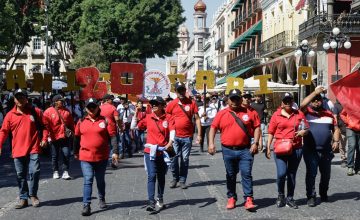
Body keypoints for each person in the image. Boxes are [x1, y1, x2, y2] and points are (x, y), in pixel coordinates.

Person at [208, 89, 260, 210]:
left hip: (245, 149)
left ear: (241, 99)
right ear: (228, 100)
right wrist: (211, 143)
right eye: (232, 99)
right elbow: (213, 128)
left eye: (237, 99)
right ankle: (231, 197)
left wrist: (256, 143)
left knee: (246, 174)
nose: (235, 101)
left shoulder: (250, 112)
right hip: (228, 150)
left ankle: (248, 198)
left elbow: (257, 127)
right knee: (230, 174)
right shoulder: (222, 113)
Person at [0, 89, 47, 208]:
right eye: (17, 97)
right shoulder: (10, 115)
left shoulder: (35, 112)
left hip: (34, 148)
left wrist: (44, 139)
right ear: (14, 100)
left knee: (35, 171)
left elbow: (45, 126)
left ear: (26, 99)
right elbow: (4, 131)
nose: (20, 100)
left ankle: (33, 195)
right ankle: (23, 198)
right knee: (20, 175)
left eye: (22, 97)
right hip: (18, 150)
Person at [73, 98, 119, 216]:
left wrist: (115, 152)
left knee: (100, 180)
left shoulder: (105, 120)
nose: (92, 109)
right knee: (88, 179)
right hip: (85, 156)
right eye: (89, 107)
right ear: (86, 108)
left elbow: (113, 136)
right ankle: (86, 205)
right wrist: (75, 152)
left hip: (101, 157)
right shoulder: (80, 121)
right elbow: (76, 138)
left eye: (94, 106)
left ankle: (102, 198)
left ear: (98, 107)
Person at [131, 96, 174, 212]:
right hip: (150, 152)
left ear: (162, 105)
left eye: (156, 103)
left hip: (163, 152)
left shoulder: (168, 118)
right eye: (152, 104)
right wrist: (136, 113)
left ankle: (160, 198)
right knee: (151, 175)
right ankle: (151, 202)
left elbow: (172, 131)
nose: (153, 105)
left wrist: (170, 142)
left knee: (161, 176)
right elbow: (133, 126)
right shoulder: (148, 117)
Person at [266, 93, 309, 209]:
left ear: (292, 102)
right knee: (281, 173)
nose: (288, 103)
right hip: (280, 148)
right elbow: (270, 132)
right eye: (285, 101)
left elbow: (306, 128)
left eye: (290, 101)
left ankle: (290, 198)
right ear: (282, 103)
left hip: (296, 148)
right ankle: (281, 195)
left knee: (291, 174)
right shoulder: (276, 115)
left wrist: (303, 132)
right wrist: (268, 147)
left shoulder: (299, 114)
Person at [300, 87, 340, 206]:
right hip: (310, 150)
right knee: (311, 174)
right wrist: (315, 93)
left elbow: (336, 129)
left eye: (318, 100)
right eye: (314, 100)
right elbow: (302, 104)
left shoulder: (329, 114)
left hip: (326, 150)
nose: (316, 102)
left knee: (326, 174)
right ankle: (311, 196)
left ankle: (323, 193)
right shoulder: (306, 112)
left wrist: (336, 141)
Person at [166, 82, 202, 189]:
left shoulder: (192, 103)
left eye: (182, 90)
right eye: (179, 90)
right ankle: (175, 178)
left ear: (185, 90)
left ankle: (182, 180)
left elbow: (197, 119)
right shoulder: (172, 104)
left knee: (185, 159)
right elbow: (167, 116)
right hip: (175, 137)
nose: (181, 92)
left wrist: (199, 135)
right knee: (174, 158)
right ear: (175, 91)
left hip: (187, 136)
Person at [43, 94, 75, 180]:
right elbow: (45, 127)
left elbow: (71, 124)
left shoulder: (67, 111)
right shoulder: (48, 112)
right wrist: (45, 138)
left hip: (64, 136)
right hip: (54, 137)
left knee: (66, 153)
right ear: (56, 102)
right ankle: (55, 171)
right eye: (61, 100)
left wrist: (74, 133)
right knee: (55, 155)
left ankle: (65, 171)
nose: (63, 101)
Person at [100, 94, 123, 164]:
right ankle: (113, 161)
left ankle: (104, 161)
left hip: (102, 131)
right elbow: (117, 119)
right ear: (107, 100)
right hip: (112, 131)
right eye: (111, 100)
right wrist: (120, 127)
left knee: (104, 146)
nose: (112, 101)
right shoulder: (113, 108)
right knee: (114, 147)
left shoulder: (99, 108)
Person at [340, 108, 360, 176]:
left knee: (359, 148)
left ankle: (358, 168)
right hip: (350, 128)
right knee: (352, 145)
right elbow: (342, 114)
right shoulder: (350, 103)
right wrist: (348, 121)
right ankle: (350, 167)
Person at [333, 100, 347, 167]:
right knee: (342, 144)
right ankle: (343, 158)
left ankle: (350, 159)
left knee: (351, 145)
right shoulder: (336, 105)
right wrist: (336, 127)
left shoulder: (348, 103)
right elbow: (335, 116)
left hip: (350, 126)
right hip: (341, 127)